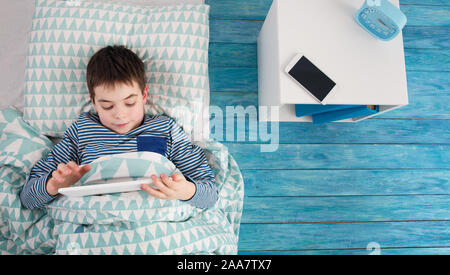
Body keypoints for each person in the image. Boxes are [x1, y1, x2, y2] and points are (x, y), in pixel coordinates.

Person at [20, 45, 218, 210]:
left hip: (155, 221)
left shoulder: (166, 129)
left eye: (130, 103)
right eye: (107, 106)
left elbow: (210, 195)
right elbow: (27, 199)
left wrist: (184, 191)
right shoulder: (82, 131)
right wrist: (54, 186)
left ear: (144, 95)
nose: (120, 114)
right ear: (94, 102)